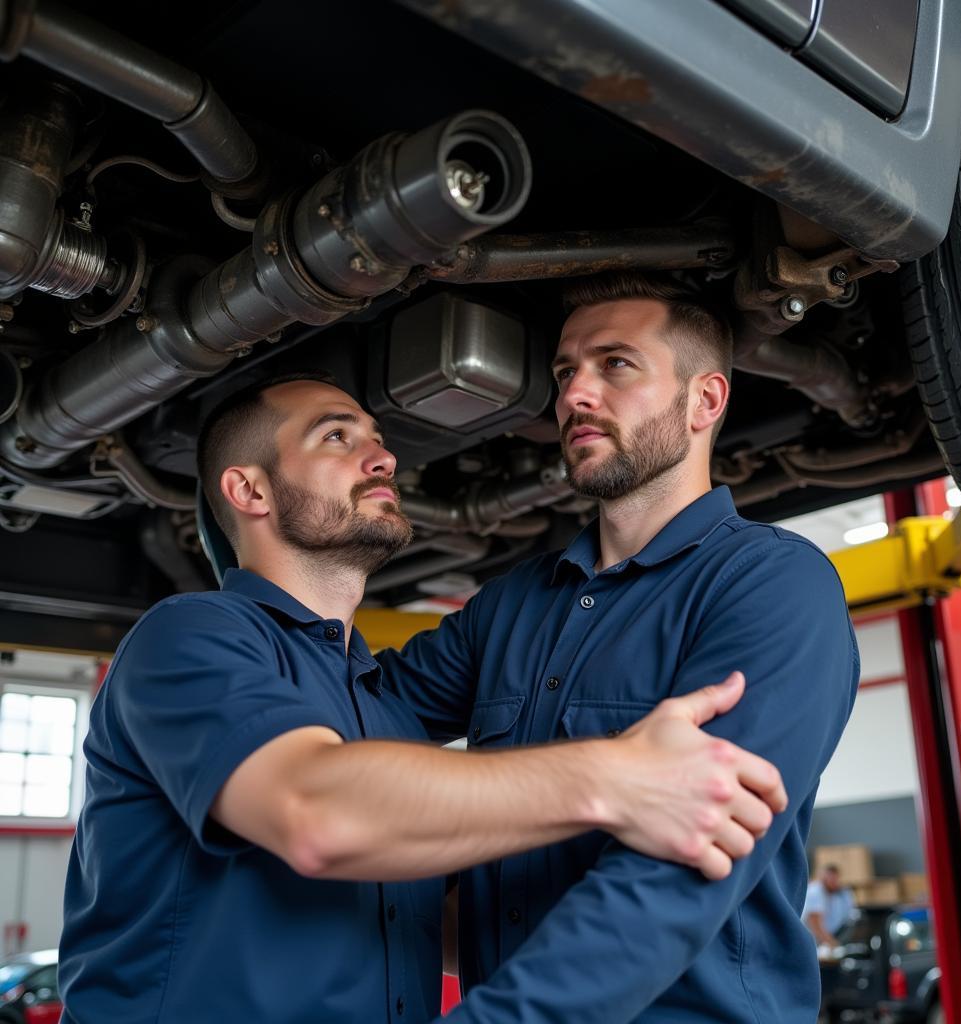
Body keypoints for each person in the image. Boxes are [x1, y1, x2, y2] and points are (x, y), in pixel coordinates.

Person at [57, 369, 788, 1024]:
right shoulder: (188, 638)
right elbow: (316, 814)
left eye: (376, 439)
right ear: (249, 490)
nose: (383, 457)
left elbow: (414, 912)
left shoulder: (386, 707)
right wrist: (620, 780)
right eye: (336, 437)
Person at [377, 271, 861, 1022]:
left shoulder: (772, 585)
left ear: (705, 401)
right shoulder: (513, 604)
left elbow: (677, 874)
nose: (573, 395)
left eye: (616, 365)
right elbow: (363, 715)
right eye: (567, 371)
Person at [802, 864, 855, 947]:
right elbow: (816, 926)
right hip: (811, 943)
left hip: (821, 941)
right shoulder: (815, 892)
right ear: (824, 877)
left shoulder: (832, 894)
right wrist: (833, 944)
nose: (834, 882)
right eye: (831, 878)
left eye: (836, 879)